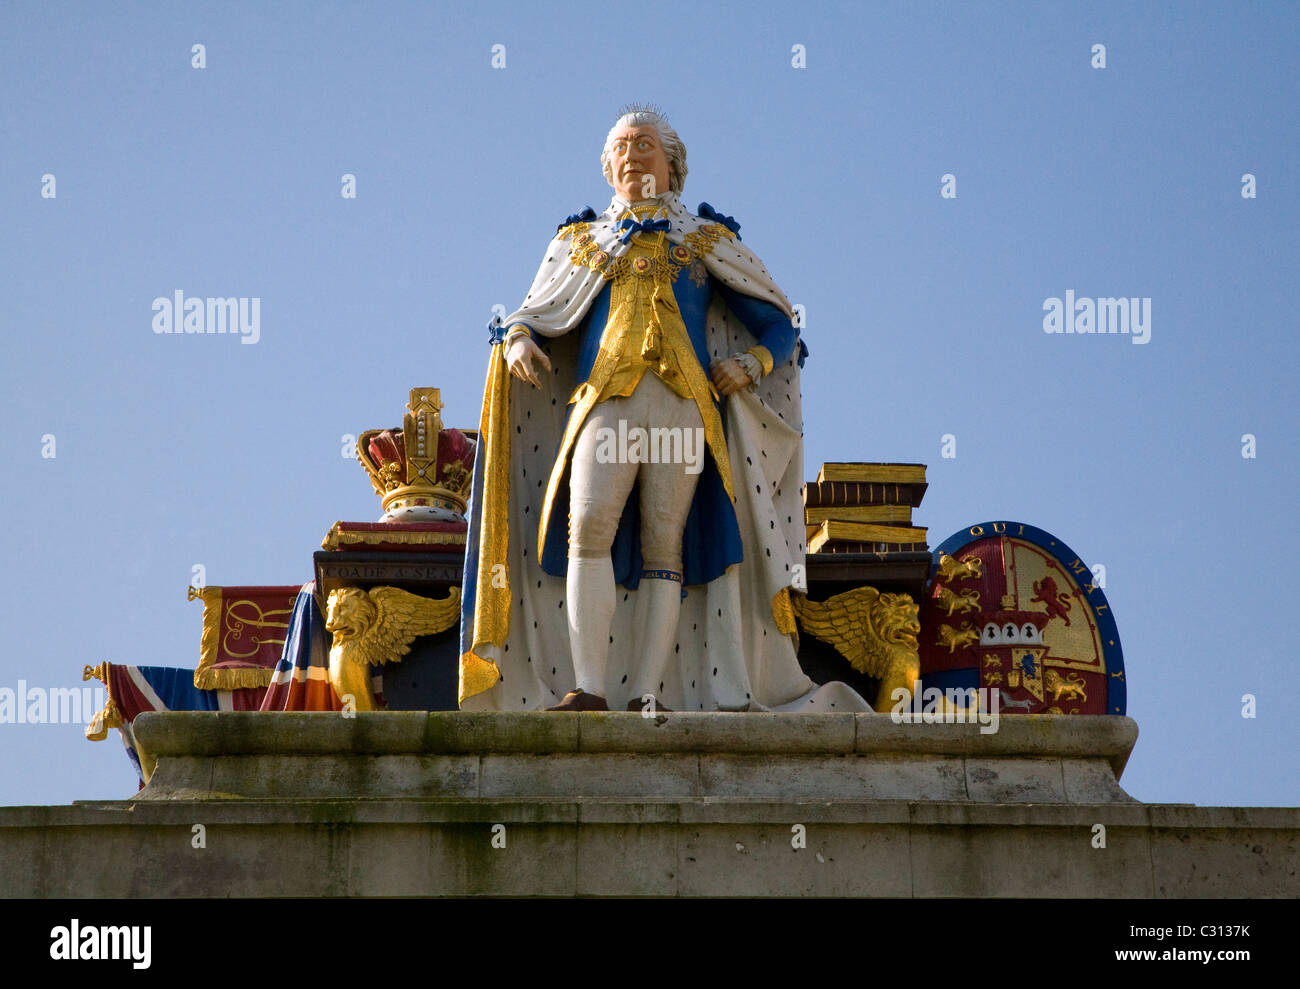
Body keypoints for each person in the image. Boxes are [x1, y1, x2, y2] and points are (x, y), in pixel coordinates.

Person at [458, 106, 869, 715]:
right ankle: (590, 686)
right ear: (606, 167)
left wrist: (752, 363)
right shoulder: (580, 242)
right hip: (607, 401)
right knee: (589, 530)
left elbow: (777, 320)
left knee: (664, 544)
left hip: (683, 408)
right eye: (620, 147)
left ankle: (648, 691)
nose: (630, 155)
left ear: (672, 164)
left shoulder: (705, 241)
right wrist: (518, 340)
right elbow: (535, 311)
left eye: (643, 144)